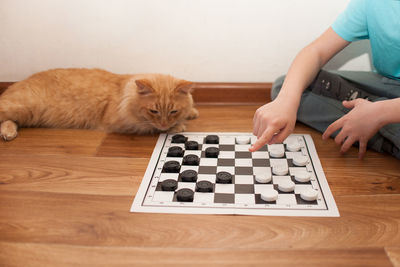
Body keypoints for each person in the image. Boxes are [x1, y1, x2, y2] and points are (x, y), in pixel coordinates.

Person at [250, 0, 400, 159]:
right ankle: (374, 122)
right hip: (386, 83)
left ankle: (383, 133)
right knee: (286, 87)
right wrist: (286, 101)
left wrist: (380, 112)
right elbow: (317, 52)